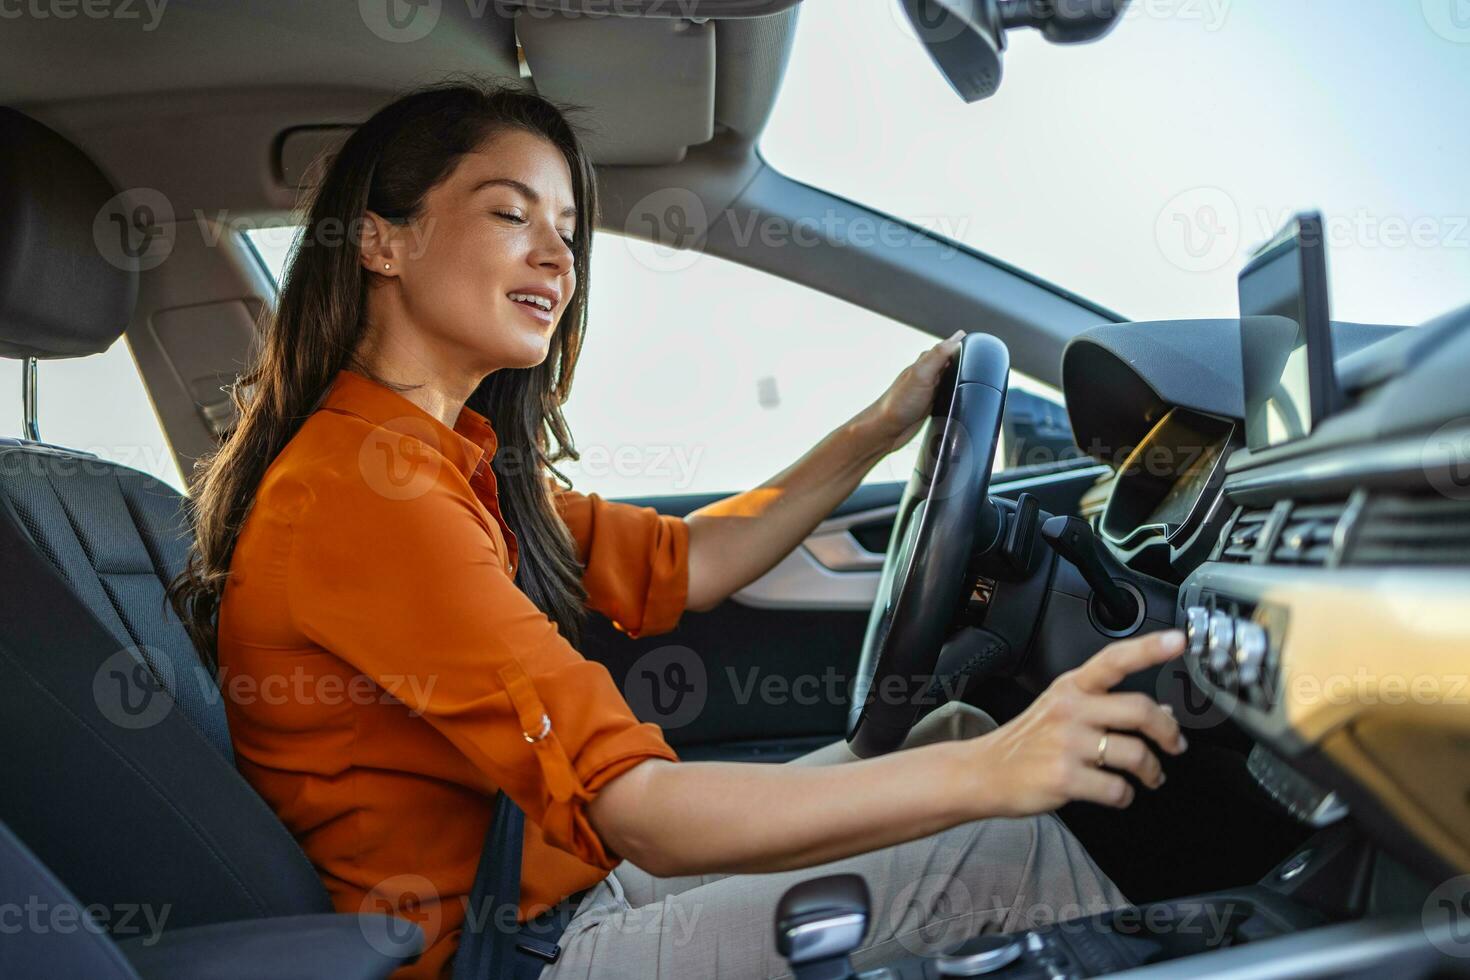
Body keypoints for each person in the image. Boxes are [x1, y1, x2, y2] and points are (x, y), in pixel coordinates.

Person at [168, 81, 1187, 980]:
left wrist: (878, 426)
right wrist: (1001, 770)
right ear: (382, 241)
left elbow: (692, 561)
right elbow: (643, 809)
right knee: (995, 837)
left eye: (568, 228)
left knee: (957, 734)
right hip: (508, 952)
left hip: (553, 891)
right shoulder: (364, 496)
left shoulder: (436, 462)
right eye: (510, 213)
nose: (557, 256)